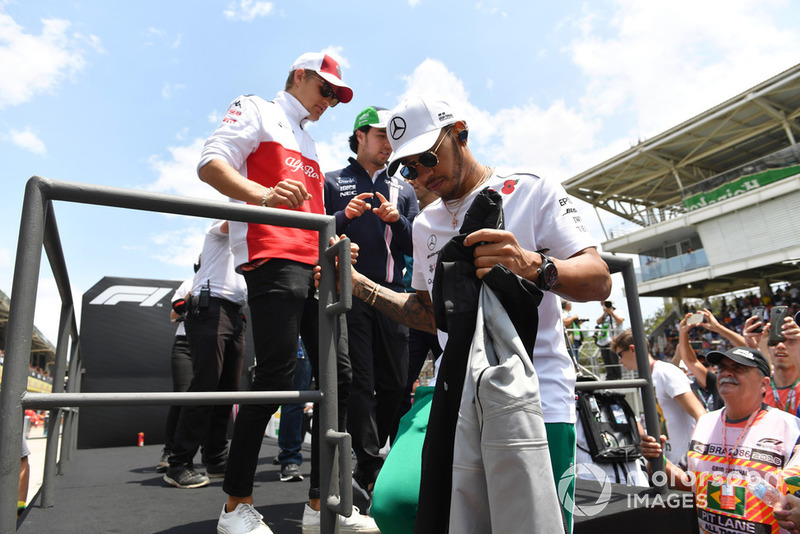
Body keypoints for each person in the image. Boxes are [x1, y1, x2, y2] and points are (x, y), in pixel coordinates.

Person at [320, 97, 612, 533]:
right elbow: (428, 313)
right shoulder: (424, 224)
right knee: (396, 503)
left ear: (460, 133)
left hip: (535, 388)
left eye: (428, 157)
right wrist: (360, 287)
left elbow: (599, 280)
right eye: (409, 167)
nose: (422, 173)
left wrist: (532, 265)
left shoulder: (531, 188)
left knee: (532, 524)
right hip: (450, 387)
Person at [197, 51, 377, 534]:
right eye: (326, 90)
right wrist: (262, 195)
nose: (330, 102)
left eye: (338, 97)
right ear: (299, 76)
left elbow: (317, 217)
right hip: (270, 255)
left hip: (316, 267)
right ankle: (235, 507)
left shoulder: (312, 145)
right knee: (276, 376)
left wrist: (336, 246)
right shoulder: (255, 108)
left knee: (337, 379)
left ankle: (323, 503)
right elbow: (209, 164)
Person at [323, 106, 419, 500]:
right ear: (360, 135)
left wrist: (397, 220)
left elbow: (415, 246)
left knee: (397, 383)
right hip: (349, 292)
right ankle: (367, 469)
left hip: (394, 294)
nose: (388, 145)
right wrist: (343, 218)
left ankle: (371, 455)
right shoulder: (333, 180)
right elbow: (319, 233)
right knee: (360, 381)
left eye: (392, 138)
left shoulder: (406, 189)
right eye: (381, 136)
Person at [641, 345, 800, 534]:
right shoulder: (705, 423)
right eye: (722, 368)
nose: (726, 373)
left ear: (764, 384)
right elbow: (692, 484)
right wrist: (657, 459)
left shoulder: (790, 427)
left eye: (738, 369)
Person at [164, 220, 248, 489]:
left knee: (228, 392)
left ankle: (215, 459)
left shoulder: (249, 244)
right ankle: (178, 464)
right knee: (205, 387)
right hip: (211, 309)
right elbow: (234, 219)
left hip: (236, 314)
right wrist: (265, 198)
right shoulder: (220, 227)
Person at [611, 329, 706, 468]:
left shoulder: (665, 372)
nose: (620, 361)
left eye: (620, 355)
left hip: (687, 463)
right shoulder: (645, 379)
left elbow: (701, 416)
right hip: (669, 463)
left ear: (632, 349)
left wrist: (700, 456)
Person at [157, 276, 194, 473]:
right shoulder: (191, 282)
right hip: (186, 342)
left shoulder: (233, 279)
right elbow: (173, 316)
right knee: (182, 395)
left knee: (216, 395)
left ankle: (213, 454)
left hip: (214, 342)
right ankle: (169, 452)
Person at [744, 312, 800, 415]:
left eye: (790, 341)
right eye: (773, 342)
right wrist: (753, 348)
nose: (780, 346)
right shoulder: (759, 389)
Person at [274, 338, 312, 483]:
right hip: (297, 334)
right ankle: (289, 457)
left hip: (324, 333)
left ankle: (334, 461)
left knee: (334, 393)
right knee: (295, 398)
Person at [676, 312, 724, 412]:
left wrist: (718, 328)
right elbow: (691, 361)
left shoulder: (721, 383)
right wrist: (683, 332)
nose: (702, 367)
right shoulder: (691, 387)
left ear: (714, 369)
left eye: (706, 365)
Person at [596, 300, 624, 379]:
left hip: (613, 339)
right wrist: (605, 313)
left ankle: (618, 376)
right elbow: (598, 322)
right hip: (603, 340)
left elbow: (620, 321)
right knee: (606, 359)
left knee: (614, 359)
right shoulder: (605, 315)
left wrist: (612, 314)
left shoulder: (618, 311)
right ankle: (610, 375)